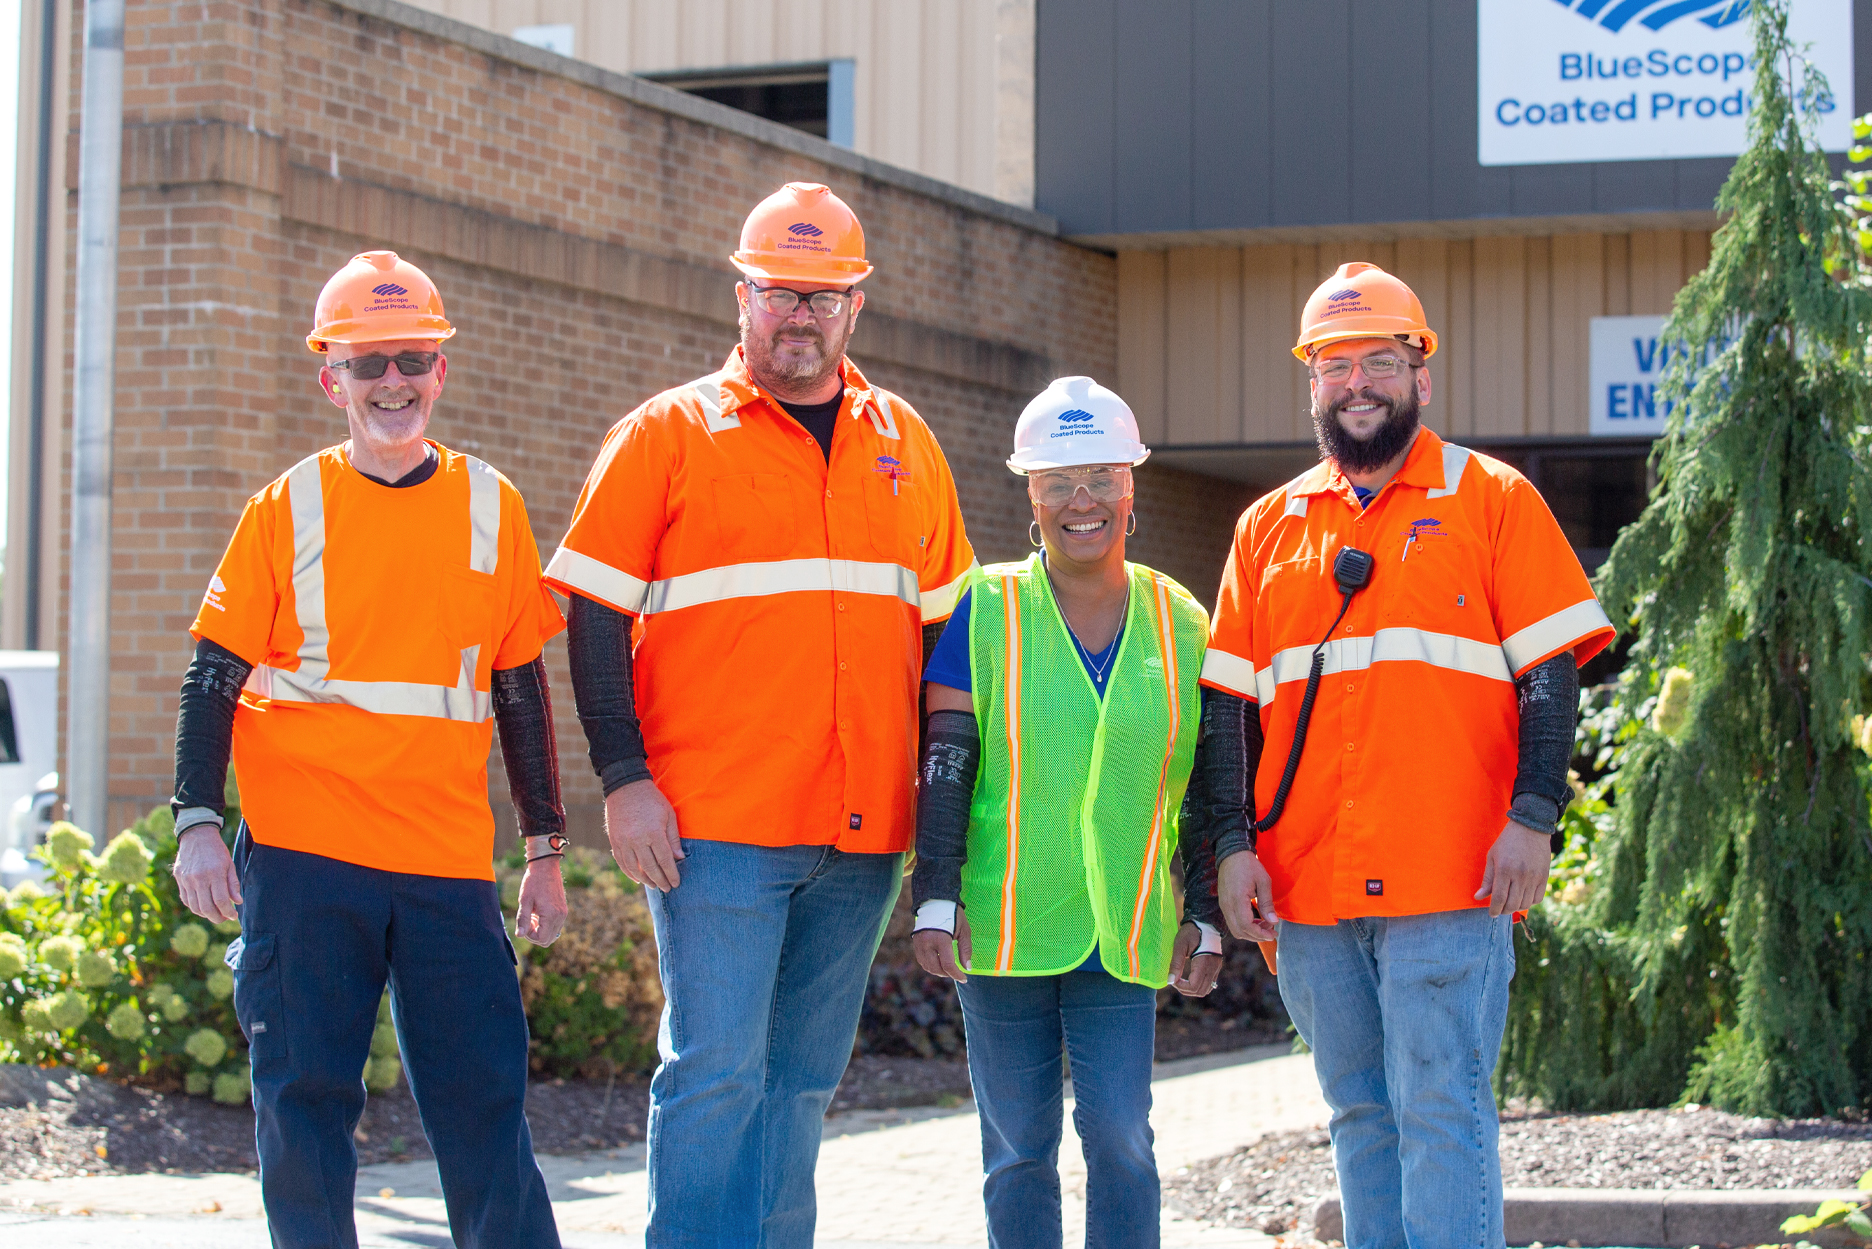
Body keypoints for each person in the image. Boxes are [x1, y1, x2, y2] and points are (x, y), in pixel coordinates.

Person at [542, 181, 977, 1247]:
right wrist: (623, 780)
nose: (801, 314)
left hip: (863, 834)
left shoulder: (906, 442)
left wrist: (943, 836)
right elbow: (593, 618)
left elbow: (950, 648)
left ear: (855, 308)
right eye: (781, 291)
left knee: (799, 1085)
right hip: (716, 827)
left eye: (823, 295)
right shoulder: (667, 435)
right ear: (742, 296)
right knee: (714, 1072)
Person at [1194, 262, 1615, 1249]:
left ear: (1421, 376)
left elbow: (1551, 671)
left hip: (1455, 878)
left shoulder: (1493, 499)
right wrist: (1229, 843)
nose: (1358, 383)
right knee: (1358, 1112)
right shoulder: (1266, 530)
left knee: (1442, 1109)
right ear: (1312, 384)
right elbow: (1228, 710)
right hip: (1307, 889)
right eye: (1335, 364)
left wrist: (1536, 815)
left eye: (1379, 360)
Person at [169, 250, 570, 1249]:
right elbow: (212, 677)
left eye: (412, 358)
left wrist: (548, 848)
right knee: (303, 1110)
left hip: (443, 864)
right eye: (369, 362)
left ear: (441, 369)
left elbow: (521, 690)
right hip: (307, 860)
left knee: (485, 1111)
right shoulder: (283, 509)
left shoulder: (494, 505)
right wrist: (197, 825)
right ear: (332, 379)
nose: (393, 379)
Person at [909, 376, 1223, 1249]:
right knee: (1017, 1150)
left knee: (1121, 1138)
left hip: (1122, 929)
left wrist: (1204, 913)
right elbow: (946, 760)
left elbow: (1204, 783)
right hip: (1005, 925)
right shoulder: (986, 607)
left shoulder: (1182, 621)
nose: (1079, 501)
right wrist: (934, 891)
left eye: (1098, 479)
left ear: (1131, 489)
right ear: (1030, 498)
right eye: (1056, 482)